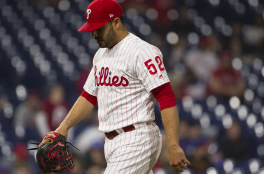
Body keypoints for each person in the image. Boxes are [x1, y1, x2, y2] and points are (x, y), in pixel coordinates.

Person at [39, 0, 190, 173]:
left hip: (137, 138)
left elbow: (166, 97)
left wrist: (172, 144)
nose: (94, 33)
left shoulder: (142, 51)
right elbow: (88, 96)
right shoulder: (100, 55)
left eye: (99, 28)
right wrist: (63, 128)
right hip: (112, 143)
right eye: (92, 29)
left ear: (116, 22)